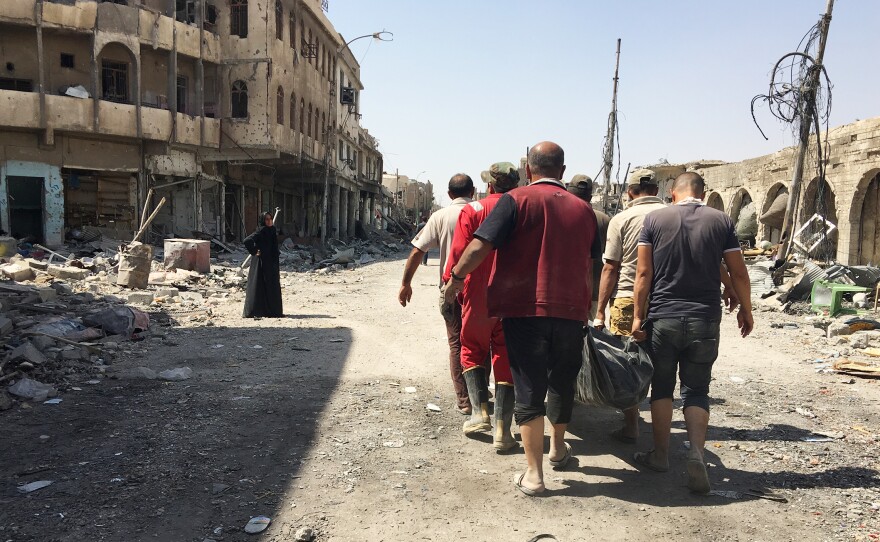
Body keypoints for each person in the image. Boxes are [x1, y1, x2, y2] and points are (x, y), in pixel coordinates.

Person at [445, 142, 600, 495]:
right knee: (562, 380)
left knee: (529, 384)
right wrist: (591, 307)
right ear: (562, 171)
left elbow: (480, 245)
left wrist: (455, 278)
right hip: (571, 311)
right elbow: (593, 264)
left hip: (525, 310)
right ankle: (559, 448)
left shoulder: (516, 200)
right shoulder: (585, 210)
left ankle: (534, 475)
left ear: (529, 171)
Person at [631, 172, 753, 494]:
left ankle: (660, 455)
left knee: (662, 387)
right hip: (704, 320)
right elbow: (737, 271)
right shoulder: (721, 221)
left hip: (663, 318)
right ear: (703, 192)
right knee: (697, 389)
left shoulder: (655, 221)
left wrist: (636, 316)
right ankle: (696, 453)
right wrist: (746, 308)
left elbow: (644, 273)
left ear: (673, 193)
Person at [443, 162, 520, 452]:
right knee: (506, 355)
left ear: (489, 185)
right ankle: (503, 431)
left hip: (478, 291)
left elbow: (461, 253)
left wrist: (452, 283)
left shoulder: (473, 211)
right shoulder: (522, 209)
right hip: (515, 295)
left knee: (471, 347)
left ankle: (479, 414)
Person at [594, 169, 666, 443]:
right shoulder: (671, 215)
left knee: (628, 364)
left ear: (630, 192)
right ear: (657, 190)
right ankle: (661, 430)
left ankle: (632, 425)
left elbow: (610, 267)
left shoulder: (621, 219)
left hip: (626, 297)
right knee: (661, 361)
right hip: (663, 298)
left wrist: (600, 310)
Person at [399, 174, 476, 414]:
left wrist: (405, 283)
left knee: (455, 343)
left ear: (450, 194)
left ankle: (464, 401)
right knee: (479, 344)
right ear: (472, 192)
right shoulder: (482, 212)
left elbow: (416, 251)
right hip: (479, 290)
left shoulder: (440, 216)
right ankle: (480, 396)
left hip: (451, 289)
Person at [567, 175, 610, 320]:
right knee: (591, 335)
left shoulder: (563, 214)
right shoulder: (603, 218)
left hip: (567, 288)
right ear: (590, 197)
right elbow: (608, 253)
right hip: (594, 289)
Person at [243, 211, 283, 318]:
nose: (269, 221)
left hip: (271, 262)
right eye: (267, 219)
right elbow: (247, 240)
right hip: (261, 263)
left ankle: (272, 311)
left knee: (272, 285)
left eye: (270, 219)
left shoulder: (272, 230)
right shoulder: (261, 230)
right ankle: (258, 311)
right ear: (263, 221)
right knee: (260, 285)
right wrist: (255, 251)